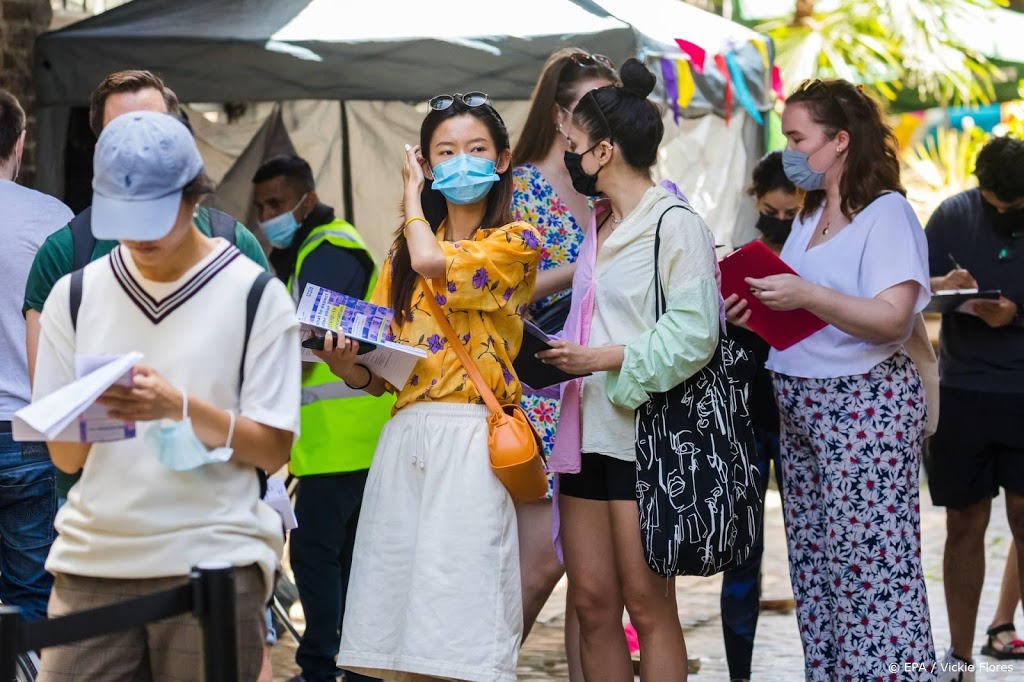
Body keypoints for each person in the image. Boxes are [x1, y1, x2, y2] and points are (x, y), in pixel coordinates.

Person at [32, 111, 300, 681]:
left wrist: (178, 407)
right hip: (93, 560)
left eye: (155, 216)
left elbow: (274, 449)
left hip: (215, 557)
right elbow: (67, 459)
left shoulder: (255, 295)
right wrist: (91, 412)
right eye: (124, 219)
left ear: (193, 197)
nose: (141, 236)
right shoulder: (74, 296)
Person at [319, 93, 538, 681]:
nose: (460, 162)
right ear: (428, 160)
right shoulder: (399, 252)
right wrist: (345, 364)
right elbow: (378, 369)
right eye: (446, 152)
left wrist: (410, 196)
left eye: (475, 150)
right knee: (396, 634)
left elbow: (433, 262)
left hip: (471, 441)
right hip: (405, 438)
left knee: (459, 628)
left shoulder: (516, 241)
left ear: (503, 159)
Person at [724, 78, 935, 681]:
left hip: (862, 407)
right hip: (801, 407)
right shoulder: (810, 211)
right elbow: (801, 310)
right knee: (817, 575)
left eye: (798, 138)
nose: (789, 151)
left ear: (840, 141)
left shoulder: (886, 213)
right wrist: (757, 305)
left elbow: (892, 317)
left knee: (873, 575)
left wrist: (806, 293)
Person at [536, 59, 720, 682]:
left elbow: (696, 333)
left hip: (645, 438)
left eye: (576, 146)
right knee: (591, 605)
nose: (569, 156)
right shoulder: (599, 223)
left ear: (605, 151)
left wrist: (606, 359)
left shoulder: (675, 224)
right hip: (584, 432)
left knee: (647, 605)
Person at [23, 69, 269, 506]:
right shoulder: (65, 256)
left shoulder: (234, 245)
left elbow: (267, 413)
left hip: (215, 503)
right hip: (101, 511)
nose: (141, 148)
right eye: (123, 133)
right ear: (101, 150)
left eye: (156, 132)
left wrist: (181, 404)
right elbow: (57, 426)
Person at [251, 154, 393, 682]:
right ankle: (354, 668)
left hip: (346, 441)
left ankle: (319, 669)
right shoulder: (312, 249)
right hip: (341, 440)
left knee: (315, 557)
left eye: (277, 204)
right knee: (345, 560)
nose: (268, 216)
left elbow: (319, 334)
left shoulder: (331, 246)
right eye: (262, 206)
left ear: (305, 201)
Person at [509, 47, 617, 672]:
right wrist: (582, 270)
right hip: (536, 393)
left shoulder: (603, 189)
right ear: (558, 115)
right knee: (543, 561)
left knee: (592, 581)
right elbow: (499, 292)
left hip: (596, 391)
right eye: (588, 108)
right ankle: (481, 665)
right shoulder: (520, 187)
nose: (601, 121)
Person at [923, 135, 1024, 671]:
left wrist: (1016, 316)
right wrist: (946, 287)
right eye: (995, 203)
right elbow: (908, 289)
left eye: (1014, 207)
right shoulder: (952, 215)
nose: (1003, 212)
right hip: (962, 391)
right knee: (964, 522)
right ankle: (960, 655)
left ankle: (1000, 631)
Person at [719, 151, 799, 682]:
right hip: (746, 417)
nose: (783, 222)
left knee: (814, 549)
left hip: (802, 416)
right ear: (756, 200)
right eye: (774, 211)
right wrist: (726, 319)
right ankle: (739, 674)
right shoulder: (734, 254)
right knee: (742, 554)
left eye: (794, 214)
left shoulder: (820, 257)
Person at [0, 89, 73, 622]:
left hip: (33, 432)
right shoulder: (53, 219)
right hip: (31, 430)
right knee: (34, 598)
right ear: (19, 143)